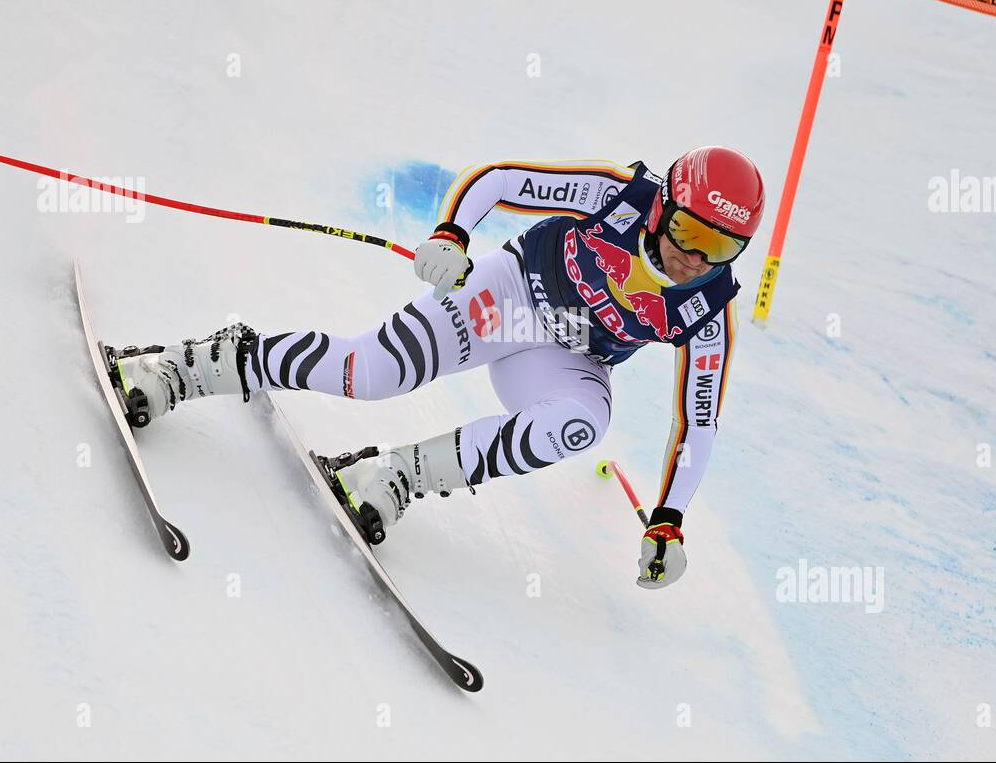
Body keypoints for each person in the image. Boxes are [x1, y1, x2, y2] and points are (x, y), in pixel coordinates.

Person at [111, 146, 765, 589]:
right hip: (507, 296)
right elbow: (504, 180)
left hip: (564, 357)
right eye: (690, 233)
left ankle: (393, 475)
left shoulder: (709, 308)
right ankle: (193, 365)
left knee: (581, 424)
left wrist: (668, 518)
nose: (695, 259)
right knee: (370, 373)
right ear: (662, 208)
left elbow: (697, 422)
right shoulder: (617, 194)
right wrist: (453, 234)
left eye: (722, 247)